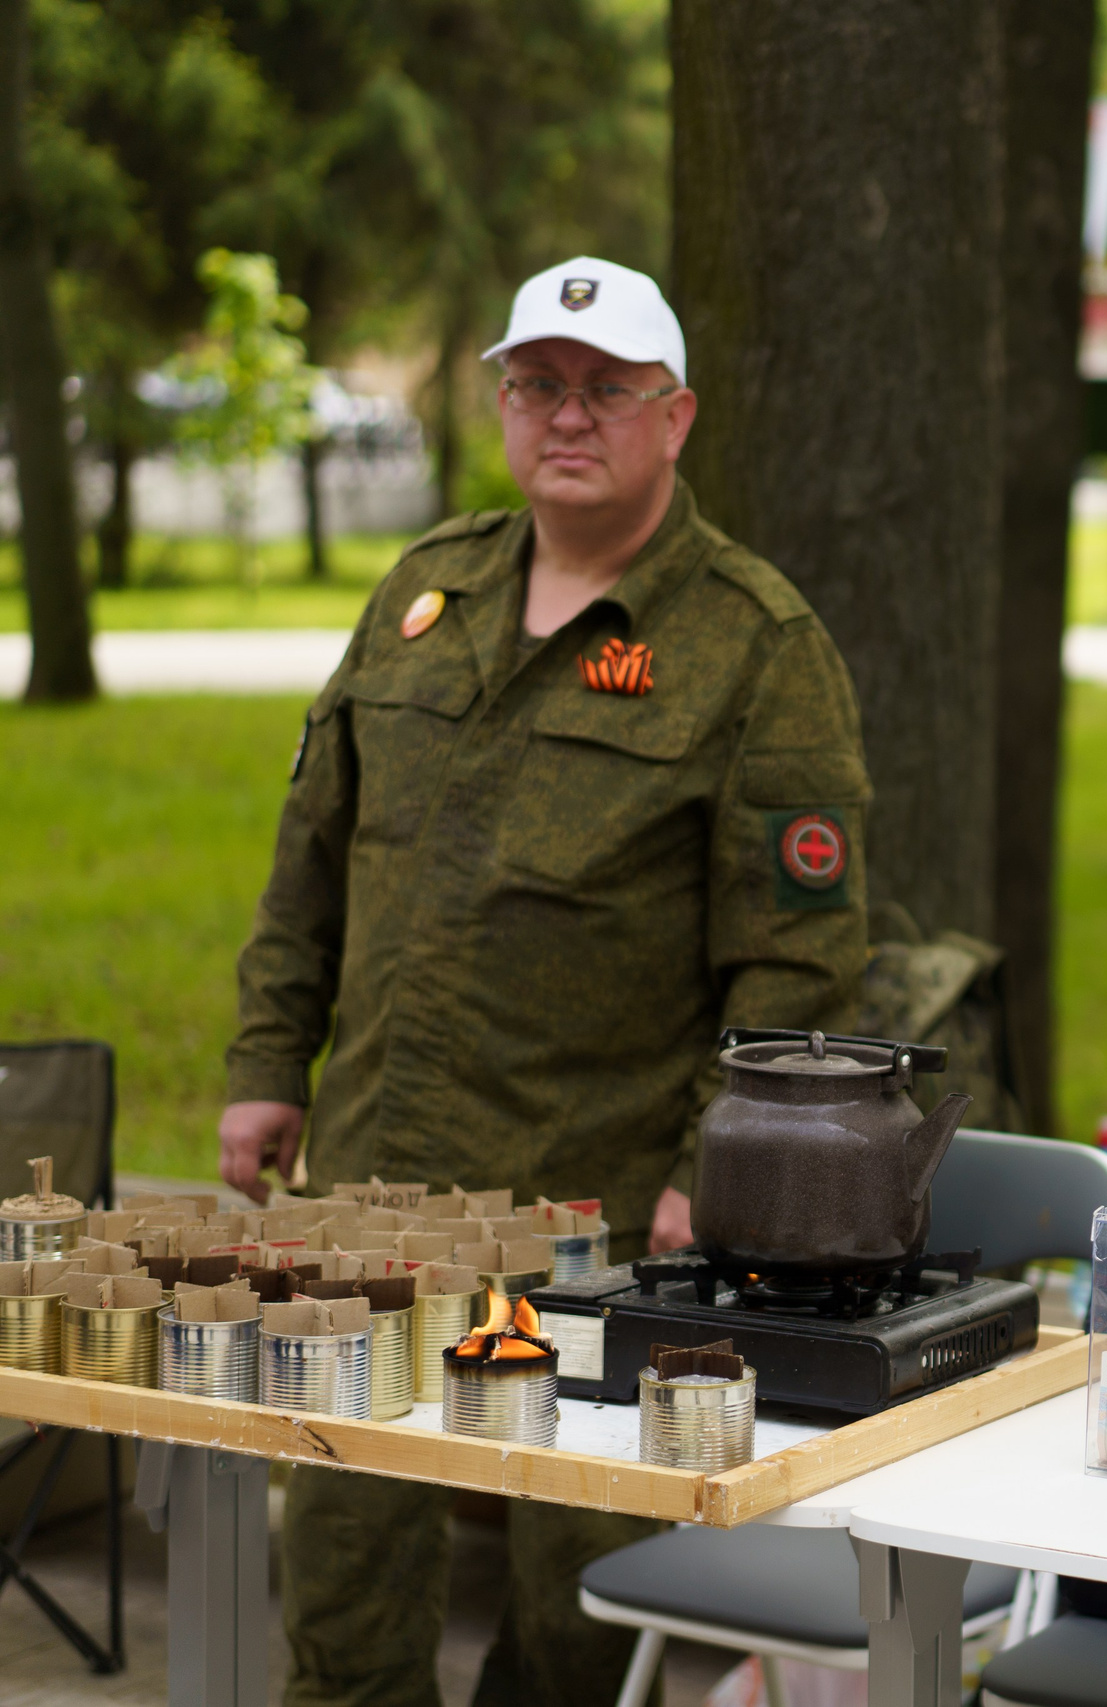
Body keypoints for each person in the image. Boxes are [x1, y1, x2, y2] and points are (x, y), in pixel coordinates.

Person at [218, 256, 871, 1707]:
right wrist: (268, 1058)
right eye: (538, 385)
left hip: (594, 1218)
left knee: (574, 1605)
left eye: (607, 389)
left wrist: (729, 1165)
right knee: (338, 1556)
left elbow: (803, 963)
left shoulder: (756, 648)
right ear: (504, 404)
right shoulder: (425, 591)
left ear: (675, 415)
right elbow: (312, 851)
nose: (567, 415)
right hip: (371, 1186)